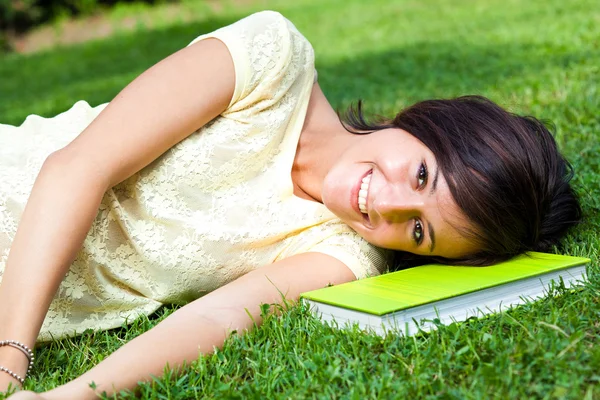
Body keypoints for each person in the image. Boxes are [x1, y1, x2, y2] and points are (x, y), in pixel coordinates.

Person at [0, 10, 581, 399]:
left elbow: (216, 317)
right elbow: (76, 169)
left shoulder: (343, 254)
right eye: (422, 175)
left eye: (420, 232)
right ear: (428, 123)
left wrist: (72, 395)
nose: (388, 204)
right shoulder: (270, 61)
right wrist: (11, 356)